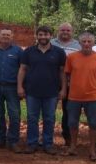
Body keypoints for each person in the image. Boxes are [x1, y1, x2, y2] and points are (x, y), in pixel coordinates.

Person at [17, 25, 66, 155]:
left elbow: (62, 72)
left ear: (51, 36)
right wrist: (20, 86)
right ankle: (32, 143)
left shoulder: (59, 52)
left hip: (51, 92)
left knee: (49, 118)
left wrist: (63, 89)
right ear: (37, 36)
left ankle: (48, 144)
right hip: (32, 91)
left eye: (46, 35)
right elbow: (22, 69)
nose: (43, 37)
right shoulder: (28, 51)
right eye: (41, 35)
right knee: (32, 118)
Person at [63, 32, 96, 161]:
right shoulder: (71, 57)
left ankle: (92, 150)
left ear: (93, 43)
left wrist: (94, 86)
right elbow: (67, 74)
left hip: (92, 97)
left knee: (93, 123)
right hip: (74, 97)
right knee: (72, 123)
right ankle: (72, 147)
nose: (86, 44)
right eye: (84, 41)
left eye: (89, 42)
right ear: (80, 43)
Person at [51, 22, 81, 147]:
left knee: (68, 111)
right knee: (49, 110)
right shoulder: (51, 43)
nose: (65, 32)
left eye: (68, 30)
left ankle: (67, 137)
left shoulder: (78, 45)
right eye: (62, 30)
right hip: (51, 81)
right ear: (58, 31)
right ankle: (48, 137)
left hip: (71, 83)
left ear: (72, 32)